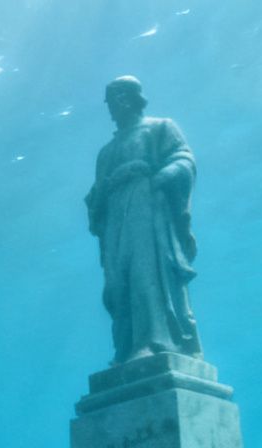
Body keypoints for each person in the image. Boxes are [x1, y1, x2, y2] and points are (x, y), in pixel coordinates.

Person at [85, 76, 202, 365]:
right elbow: (97, 194)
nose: (113, 106)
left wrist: (161, 178)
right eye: (110, 101)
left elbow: (184, 160)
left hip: (148, 211)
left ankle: (155, 340)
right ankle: (126, 346)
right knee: (118, 283)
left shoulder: (160, 128)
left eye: (119, 97)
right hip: (116, 221)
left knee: (146, 274)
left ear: (134, 98)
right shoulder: (106, 152)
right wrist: (96, 200)